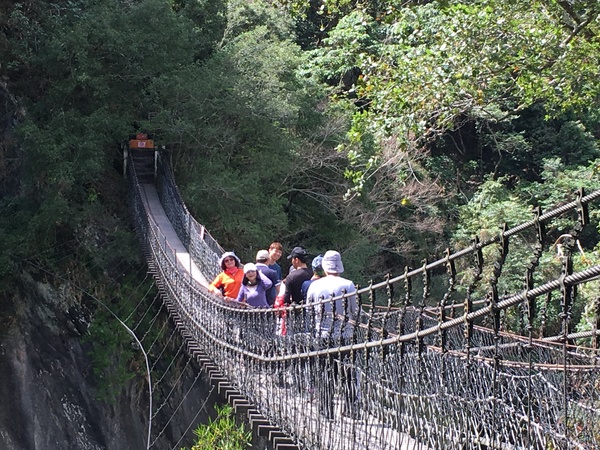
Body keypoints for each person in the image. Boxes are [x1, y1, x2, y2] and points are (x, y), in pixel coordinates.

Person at [306, 250, 360, 420]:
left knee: (325, 372)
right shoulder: (349, 285)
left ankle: (326, 410)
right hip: (344, 335)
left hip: (322, 335)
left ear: (324, 266)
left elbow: (308, 310)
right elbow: (355, 310)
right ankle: (351, 408)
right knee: (348, 373)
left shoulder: (314, 286)